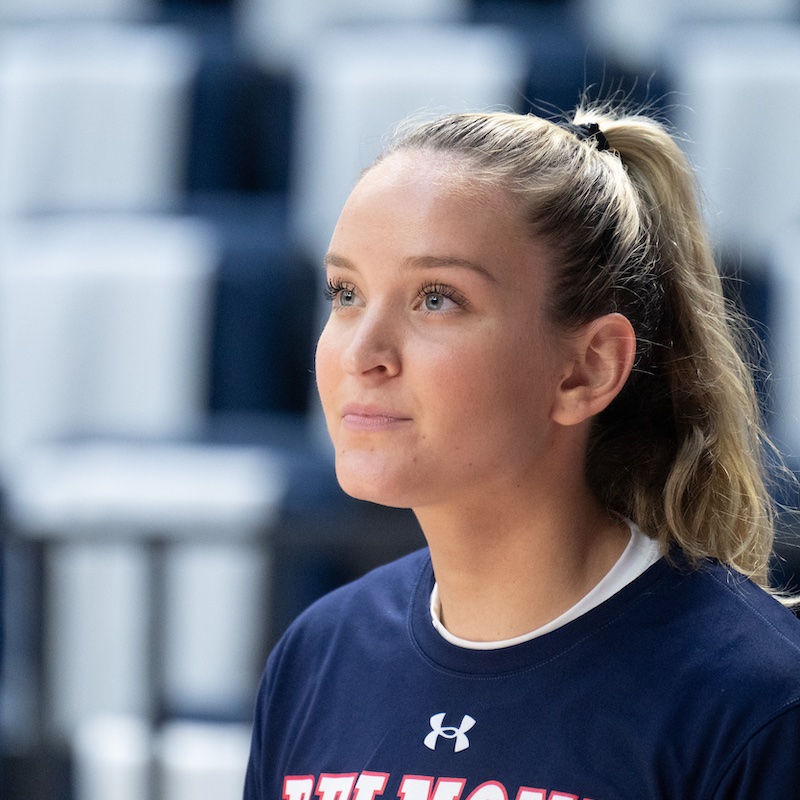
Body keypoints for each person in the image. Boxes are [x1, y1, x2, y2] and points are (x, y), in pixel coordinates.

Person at [243, 106, 800, 799]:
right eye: (346, 293)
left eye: (437, 299)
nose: (362, 354)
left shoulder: (759, 704)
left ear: (586, 369)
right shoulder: (320, 654)